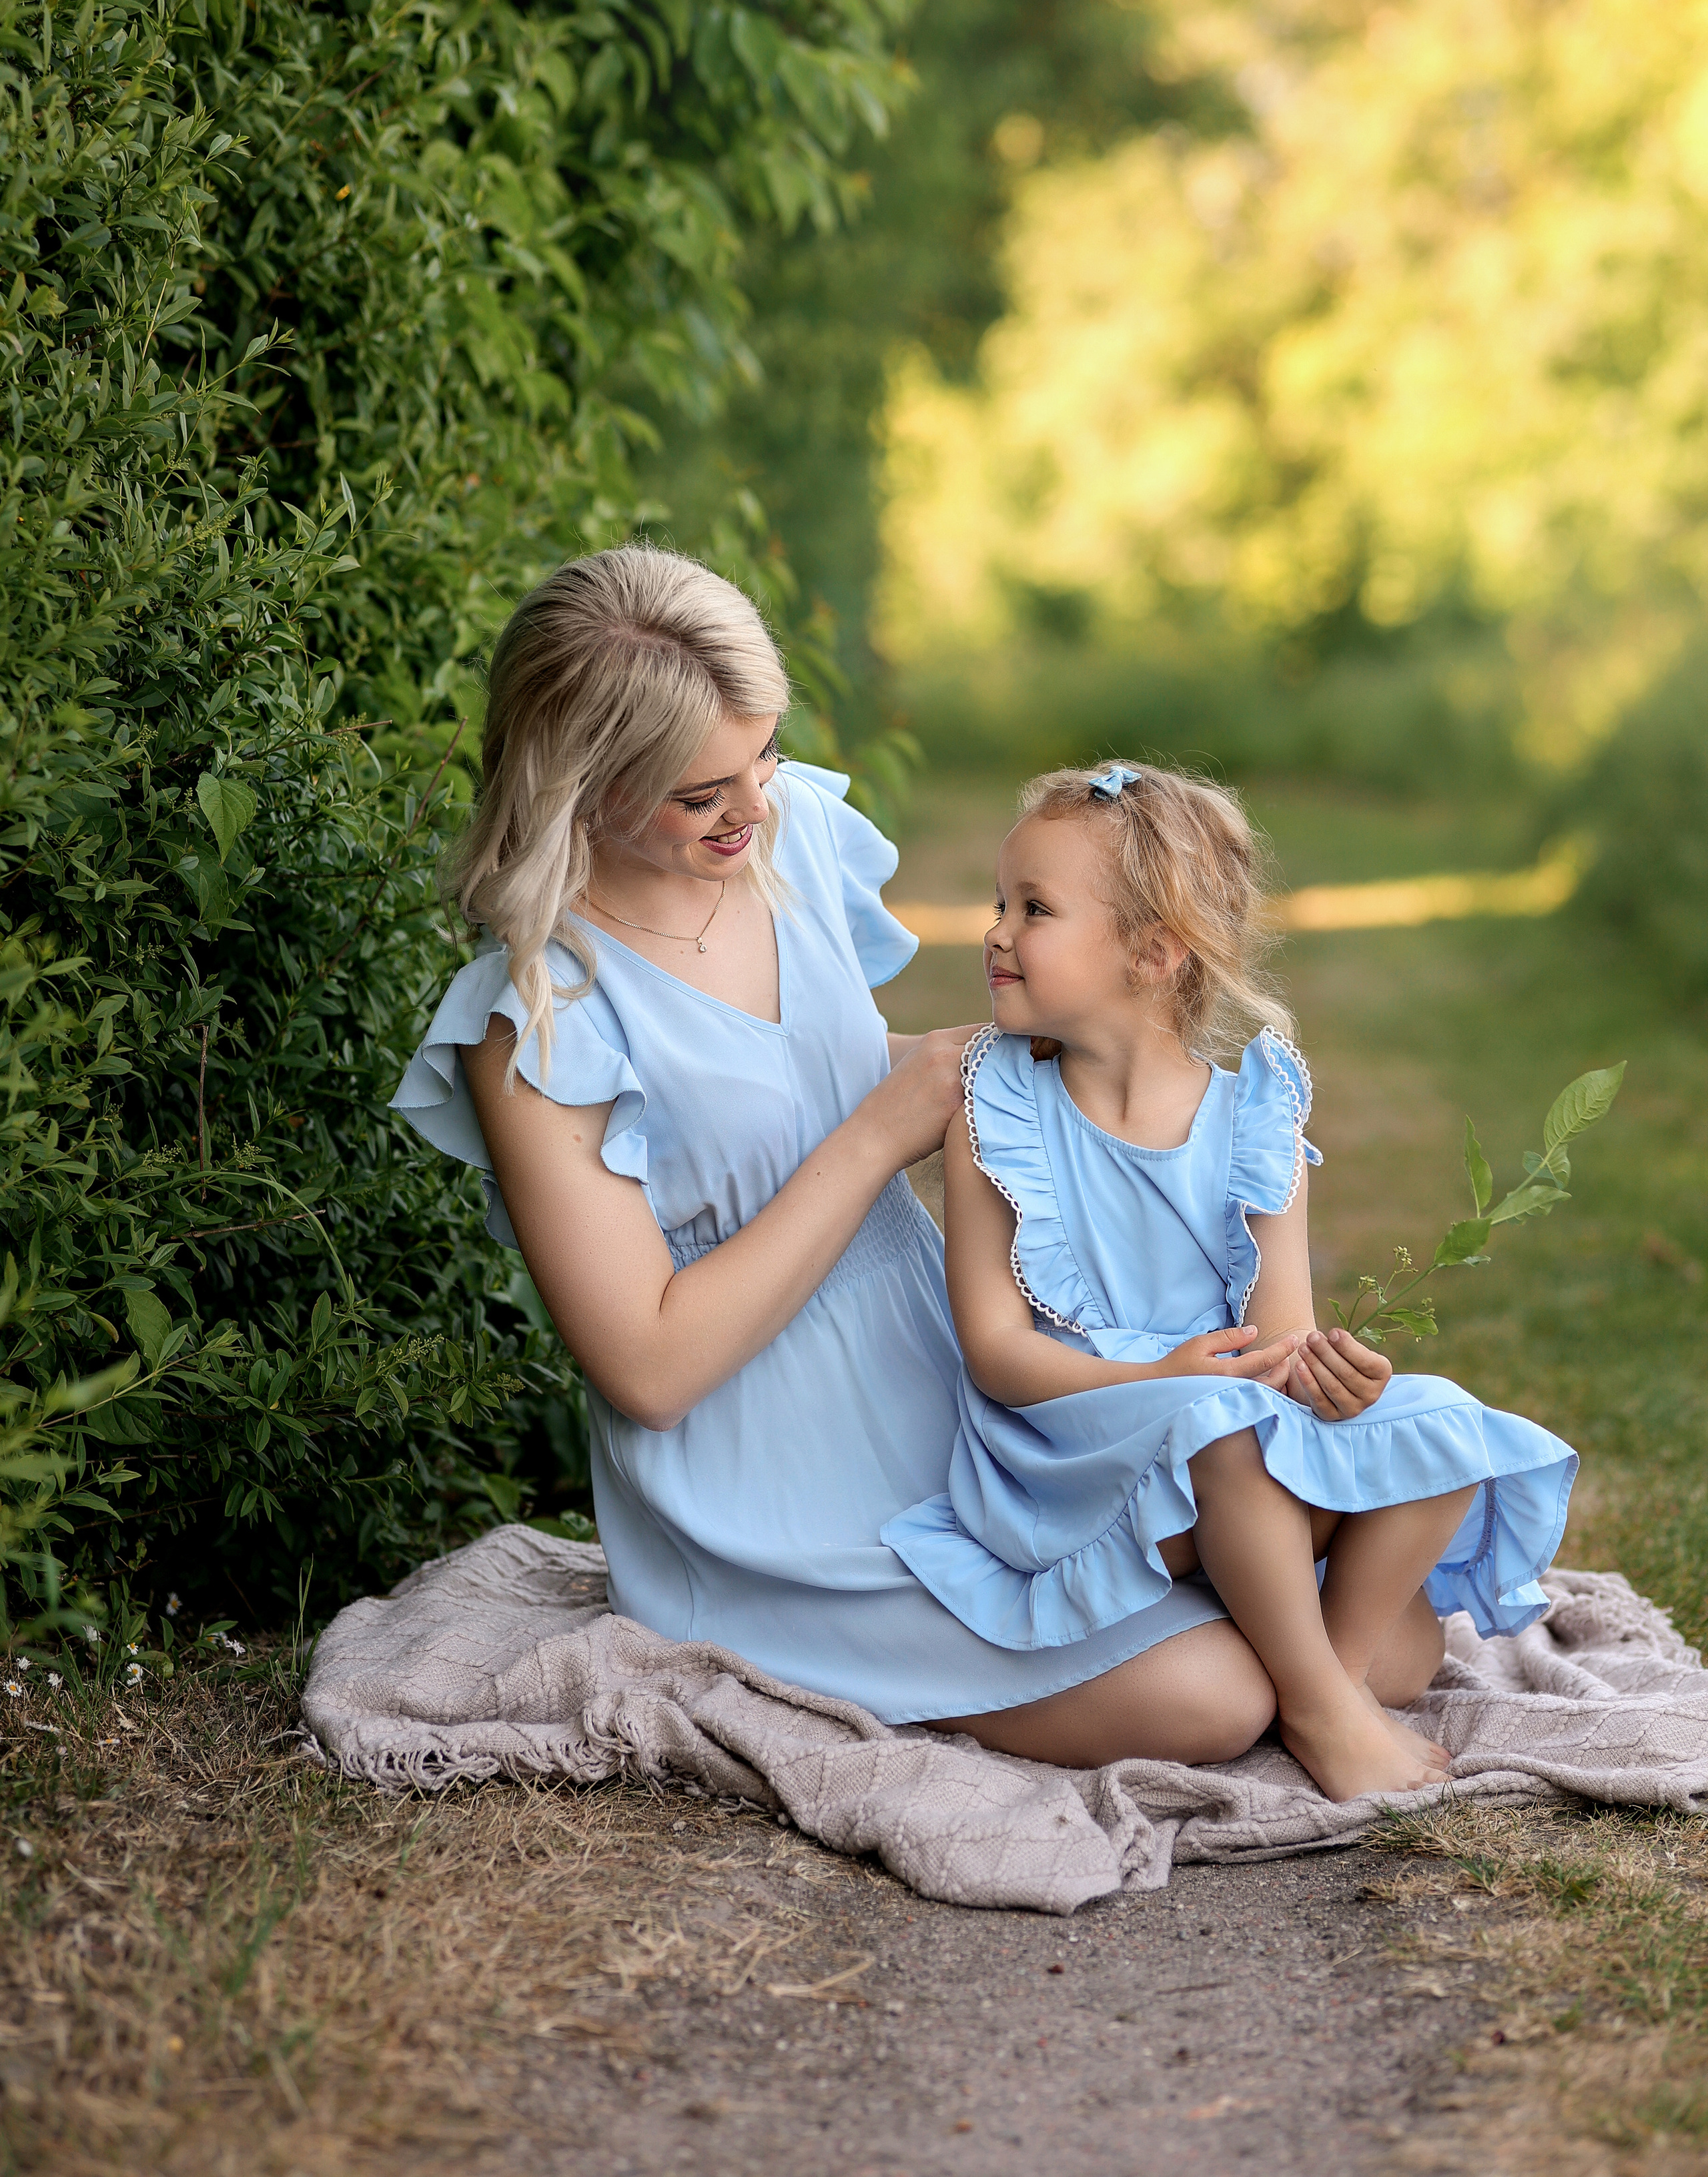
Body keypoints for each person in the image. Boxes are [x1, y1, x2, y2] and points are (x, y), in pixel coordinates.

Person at [390, 547, 1303, 1774]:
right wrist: (882, 1126)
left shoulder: (794, 840)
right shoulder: (542, 1025)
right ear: (583, 786)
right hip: (767, 1468)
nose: (751, 807)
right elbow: (650, 1366)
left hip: (939, 1367)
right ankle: (864, 1640)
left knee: (1270, 1501)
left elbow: (798, 1070)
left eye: (760, 756)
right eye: (700, 791)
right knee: (1216, 1695)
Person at [879, 760, 1579, 1800]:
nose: (994, 930)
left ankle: (1320, 1676)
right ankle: (1320, 1702)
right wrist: (1161, 1374)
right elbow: (998, 1350)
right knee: (1226, 1431)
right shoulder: (1000, 1111)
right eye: (1001, 902)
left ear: (1153, 952)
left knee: (1443, 1443)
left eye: (1034, 908)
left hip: (1233, 1434)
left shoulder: (1255, 1119)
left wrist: (1332, 1382)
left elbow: (1275, 1342)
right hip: (1073, 1450)